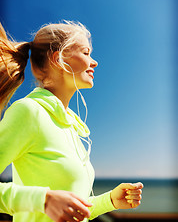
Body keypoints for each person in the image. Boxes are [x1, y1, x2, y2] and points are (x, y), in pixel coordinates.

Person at [0, 21, 143, 222]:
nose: (94, 62)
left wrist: (110, 200)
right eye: (86, 53)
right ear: (58, 59)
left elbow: (73, 209)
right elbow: (50, 203)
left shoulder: (71, 125)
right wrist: (43, 200)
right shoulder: (29, 112)